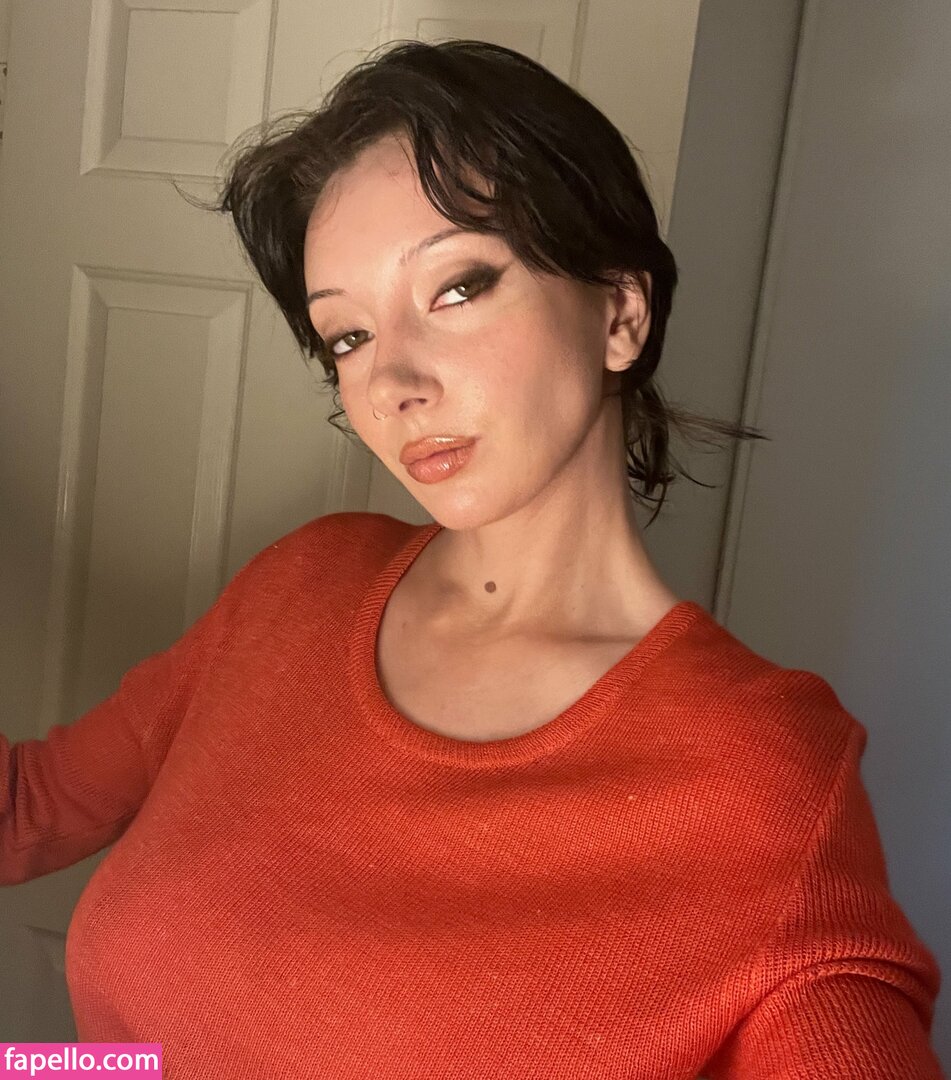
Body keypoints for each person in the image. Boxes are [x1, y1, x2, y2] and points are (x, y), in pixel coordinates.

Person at [2, 38, 943, 1080]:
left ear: (620, 312)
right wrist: (35, 1070)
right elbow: (34, 820)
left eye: (455, 289)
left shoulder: (760, 776)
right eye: (348, 336)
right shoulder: (299, 586)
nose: (391, 383)